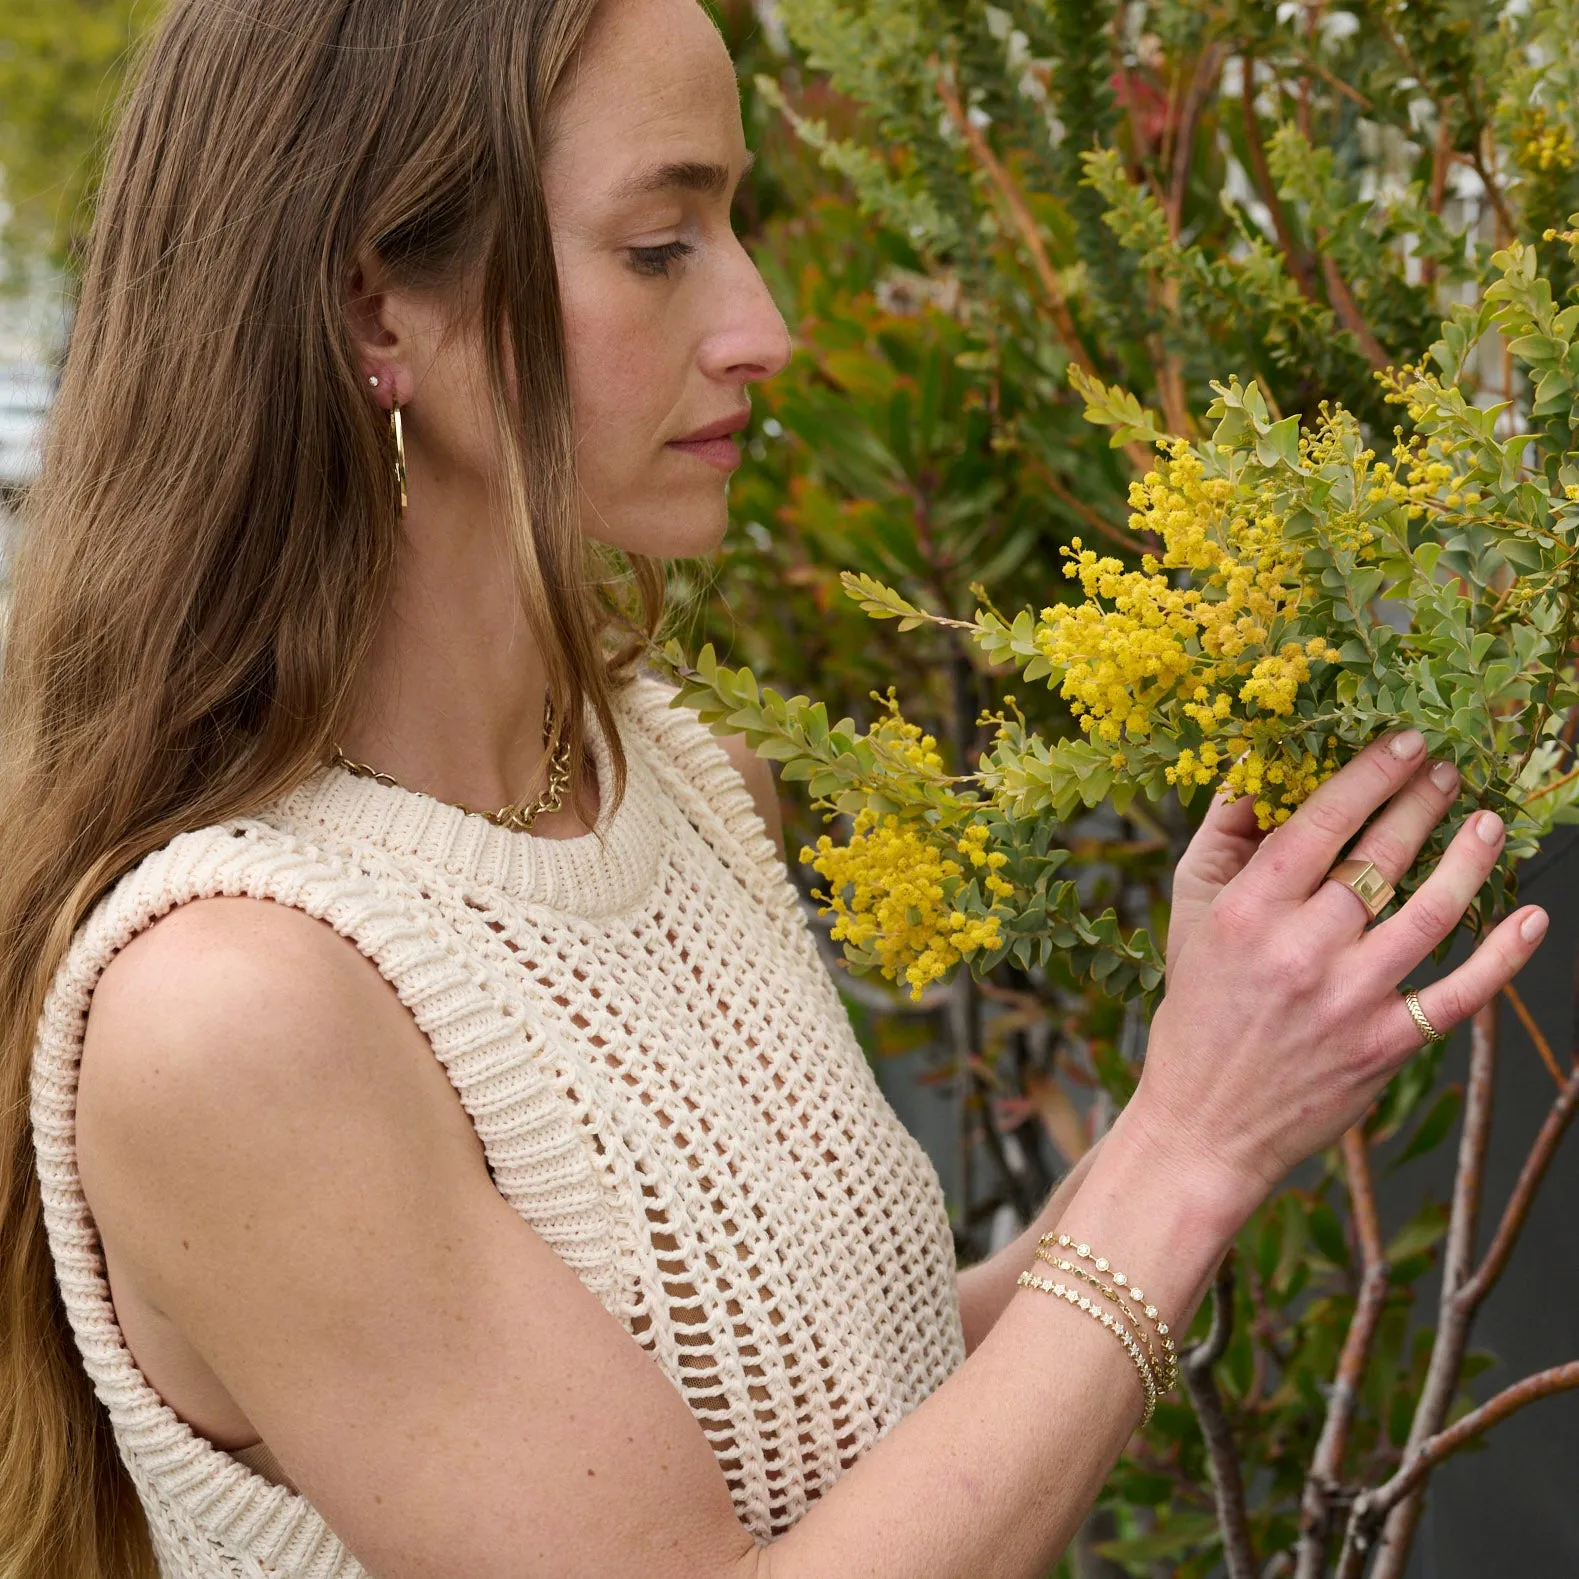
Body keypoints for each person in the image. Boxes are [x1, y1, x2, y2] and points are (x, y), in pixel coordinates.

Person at [0, 0, 1549, 1576]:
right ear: (375, 314)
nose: (763, 324)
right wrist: (1188, 1151)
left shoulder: (660, 768)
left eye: (730, 222)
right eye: (659, 244)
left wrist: (1214, 1088)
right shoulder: (235, 1009)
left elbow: (844, 1433)